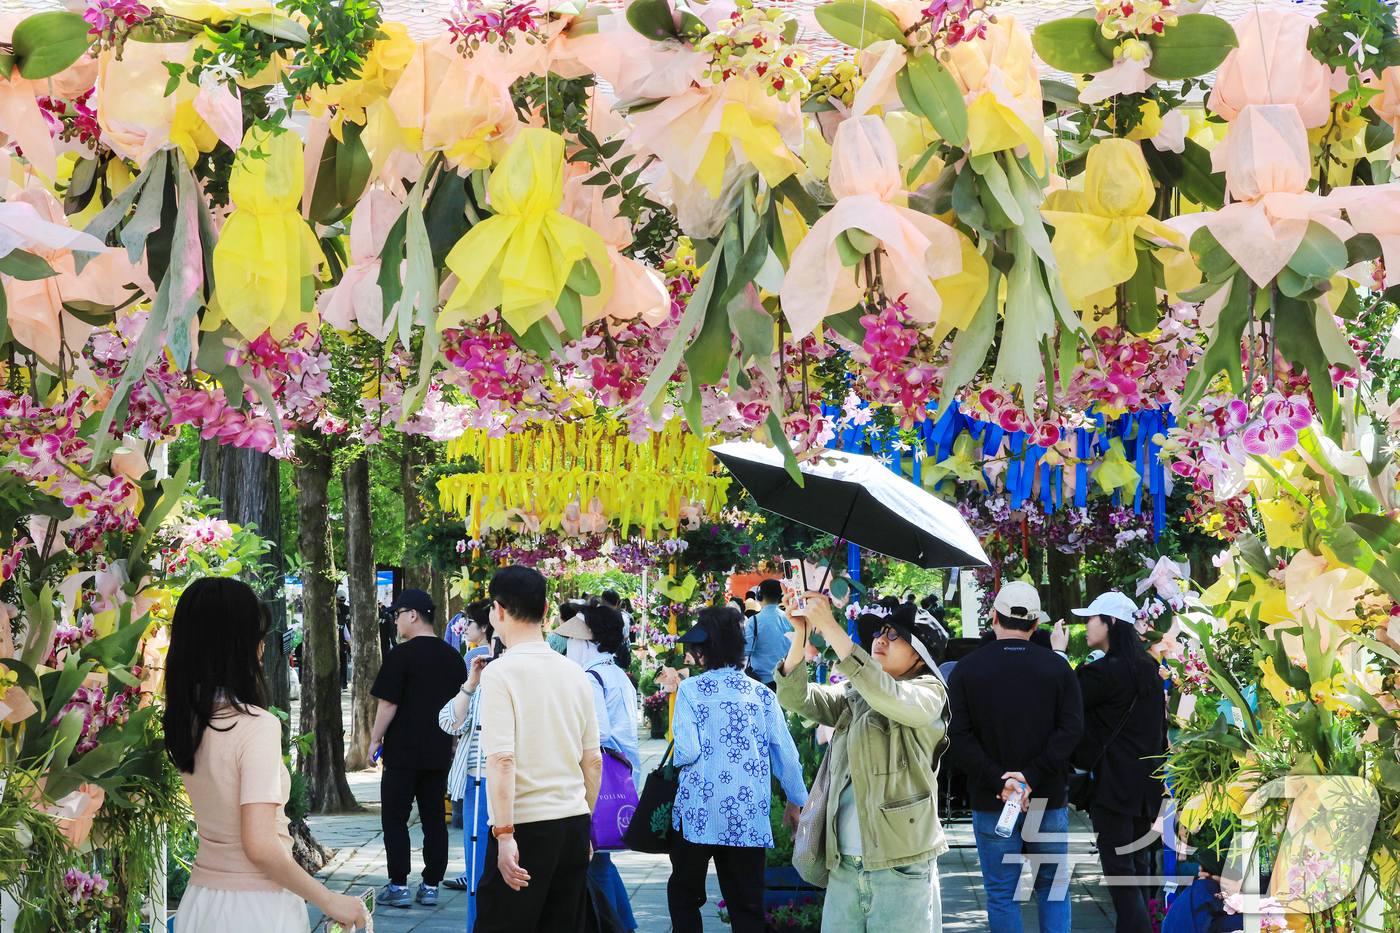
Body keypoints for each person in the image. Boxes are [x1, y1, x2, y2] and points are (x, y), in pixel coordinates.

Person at [165, 578, 368, 933]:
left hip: (200, 902)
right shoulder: (254, 725)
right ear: (242, 647)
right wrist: (329, 899)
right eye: (256, 636)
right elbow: (259, 845)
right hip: (255, 909)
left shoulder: (188, 721)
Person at [776, 597, 950, 932]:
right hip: (843, 864)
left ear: (919, 656)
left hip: (901, 867)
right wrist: (801, 634)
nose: (881, 639)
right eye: (880, 632)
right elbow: (797, 698)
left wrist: (829, 625)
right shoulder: (856, 694)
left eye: (895, 635)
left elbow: (892, 698)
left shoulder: (930, 692)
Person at [947, 581, 1083, 933]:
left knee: (1001, 895)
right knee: (1053, 890)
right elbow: (1070, 732)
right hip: (1046, 799)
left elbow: (958, 736)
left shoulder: (966, 669)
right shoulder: (1058, 670)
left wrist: (1001, 780)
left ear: (993, 617)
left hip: (992, 800)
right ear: (1036, 625)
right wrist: (1030, 778)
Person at [474, 565, 602, 933]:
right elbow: (592, 760)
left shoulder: (500, 672)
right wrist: (586, 822)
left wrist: (504, 835)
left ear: (497, 611)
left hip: (525, 828)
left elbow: (501, 759)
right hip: (574, 824)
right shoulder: (576, 672)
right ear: (546, 609)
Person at [668, 606, 808, 933]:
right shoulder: (761, 694)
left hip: (697, 814)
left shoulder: (690, 690)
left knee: (685, 896)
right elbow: (787, 755)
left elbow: (686, 751)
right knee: (747, 906)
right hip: (745, 814)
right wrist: (794, 800)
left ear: (704, 650)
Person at [1053, 593, 1168, 933]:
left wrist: (1059, 655)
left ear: (1111, 623)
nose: (1085, 625)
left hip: (1113, 787)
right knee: (1138, 864)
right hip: (1147, 787)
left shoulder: (1104, 672)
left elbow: (1065, 699)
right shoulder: (1149, 668)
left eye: (1091, 619)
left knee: (1120, 869)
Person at [369, 588, 468, 909]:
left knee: (395, 819)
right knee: (434, 820)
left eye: (397, 615)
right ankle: (430, 886)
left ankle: (398, 886)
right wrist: (452, 745)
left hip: (401, 752)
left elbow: (388, 703)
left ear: (412, 615)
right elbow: (459, 708)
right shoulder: (454, 658)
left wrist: (373, 740)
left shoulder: (400, 655)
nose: (396, 622)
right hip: (438, 752)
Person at [556, 601, 640, 931]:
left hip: (598, 777)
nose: (569, 645)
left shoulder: (591, 677)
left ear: (589, 641)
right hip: (621, 776)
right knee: (600, 857)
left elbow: (599, 733)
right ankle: (625, 925)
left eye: (574, 639)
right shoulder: (616, 672)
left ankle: (611, 926)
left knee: (592, 858)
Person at [441, 599, 494, 897]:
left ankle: (471, 875)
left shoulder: (475, 658)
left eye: (469, 623)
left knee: (478, 834)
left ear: (485, 626)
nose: (464, 628)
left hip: (479, 766)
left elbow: (456, 719)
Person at [743, 578, 792, 690]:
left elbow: (746, 650)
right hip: (787, 677)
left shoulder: (753, 621)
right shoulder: (790, 618)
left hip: (761, 681)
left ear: (759, 596)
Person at [599, 589, 633, 670]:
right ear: (618, 603)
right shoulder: (622, 617)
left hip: (597, 655)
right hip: (615, 655)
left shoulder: (595, 616)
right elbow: (625, 637)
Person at [336, 587, 351, 690]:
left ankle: (337, 683)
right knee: (344, 663)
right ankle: (344, 683)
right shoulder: (349, 610)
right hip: (345, 642)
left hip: (336, 643)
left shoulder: (334, 613)